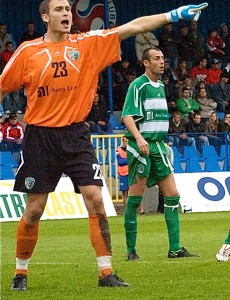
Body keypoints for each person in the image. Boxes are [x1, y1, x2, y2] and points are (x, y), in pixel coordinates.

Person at [0, 0, 208, 290]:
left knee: (96, 199)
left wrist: (172, 15)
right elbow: (2, 86)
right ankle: (20, 273)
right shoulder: (28, 52)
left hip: (76, 135)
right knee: (34, 209)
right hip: (41, 137)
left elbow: (133, 27)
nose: (66, 14)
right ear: (45, 17)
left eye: (68, 9)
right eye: (59, 10)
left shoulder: (88, 44)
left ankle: (105, 272)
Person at [121, 46, 200, 261]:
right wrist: (138, 138)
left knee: (172, 195)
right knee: (135, 199)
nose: (162, 62)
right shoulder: (139, 85)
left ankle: (175, 249)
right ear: (146, 63)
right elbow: (127, 116)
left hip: (158, 145)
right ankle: (131, 250)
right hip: (142, 147)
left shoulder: (160, 86)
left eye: (163, 58)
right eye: (156, 58)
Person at [116, 136, 129, 207]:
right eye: (125, 141)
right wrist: (129, 159)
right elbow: (120, 162)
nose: (127, 143)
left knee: (133, 193)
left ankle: (140, 211)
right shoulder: (118, 150)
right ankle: (126, 210)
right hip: (123, 173)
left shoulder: (132, 150)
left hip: (131, 172)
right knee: (124, 192)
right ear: (123, 142)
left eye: (128, 141)